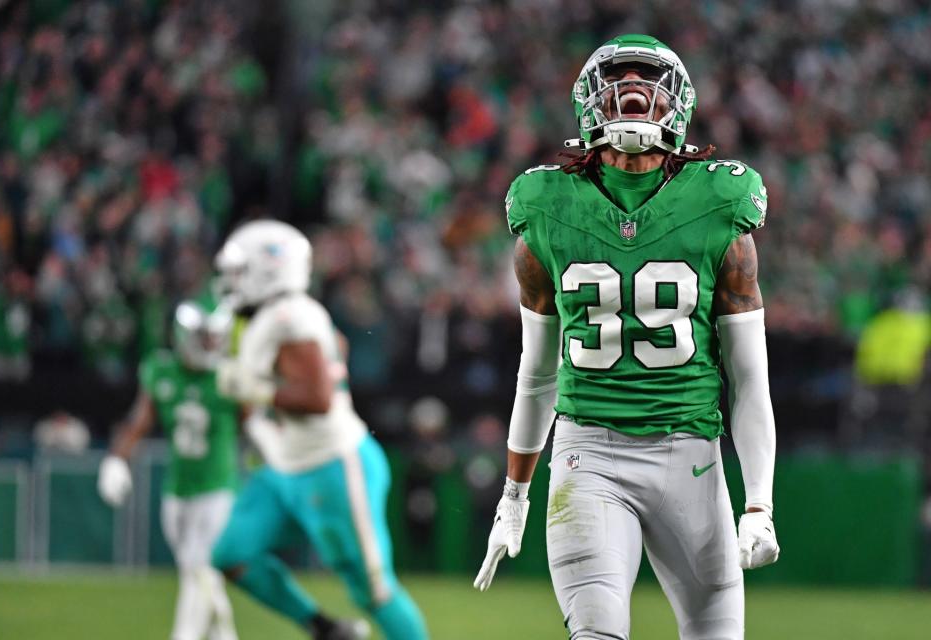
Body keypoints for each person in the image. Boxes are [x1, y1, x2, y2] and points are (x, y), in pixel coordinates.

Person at [474, 34, 780, 640]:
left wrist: (759, 503)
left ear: (678, 103)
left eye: (649, 78)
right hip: (589, 455)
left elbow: (748, 380)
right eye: (619, 79)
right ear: (589, 102)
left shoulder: (720, 203)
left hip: (691, 455)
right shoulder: (546, 206)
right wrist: (514, 494)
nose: (633, 90)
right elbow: (537, 372)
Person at [210, 220, 429, 640]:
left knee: (374, 592)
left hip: (331, 465)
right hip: (283, 465)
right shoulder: (282, 315)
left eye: (240, 271)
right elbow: (338, 349)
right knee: (233, 554)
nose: (231, 281)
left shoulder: (288, 317)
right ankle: (326, 629)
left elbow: (318, 398)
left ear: (268, 270)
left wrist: (254, 389)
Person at [98, 300, 239, 640]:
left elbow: (258, 425)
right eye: (204, 337)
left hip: (218, 488)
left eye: (215, 337)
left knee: (199, 569)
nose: (211, 345)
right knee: (198, 575)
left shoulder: (230, 376)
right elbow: (138, 422)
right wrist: (117, 458)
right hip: (177, 492)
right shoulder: (162, 370)